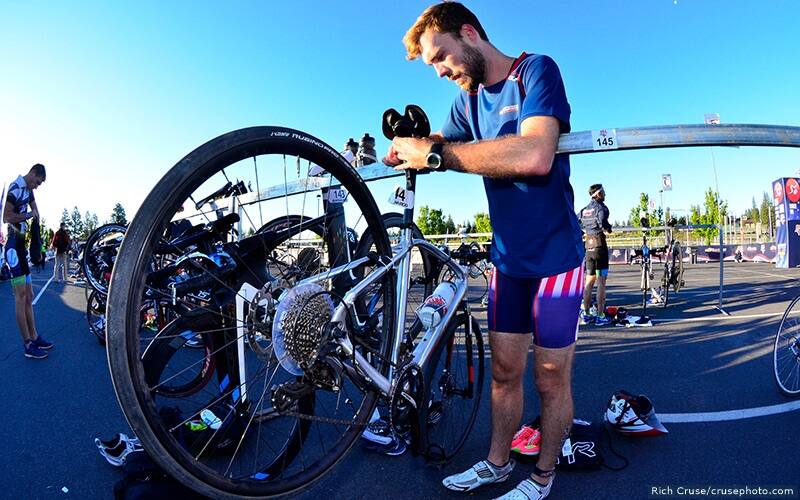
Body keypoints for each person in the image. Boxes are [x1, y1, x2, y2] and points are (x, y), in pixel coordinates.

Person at [386, 4, 584, 498]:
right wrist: (410, 146)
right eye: (433, 66)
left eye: (442, 57)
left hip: (558, 259)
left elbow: (535, 155)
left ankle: (541, 477)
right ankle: (496, 464)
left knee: (551, 376)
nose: (441, 71)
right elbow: (440, 142)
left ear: (470, 33)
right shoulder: (466, 101)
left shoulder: (535, 70)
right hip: (508, 262)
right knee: (502, 372)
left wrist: (437, 155)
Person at [3, 164, 54, 359]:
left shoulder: (28, 190)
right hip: (13, 250)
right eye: (37, 182)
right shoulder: (16, 188)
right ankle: (27, 344)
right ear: (33, 174)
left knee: (30, 294)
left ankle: (34, 336)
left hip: (22, 249)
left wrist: (34, 216)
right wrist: (27, 215)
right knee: (20, 296)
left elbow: (36, 211)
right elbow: (6, 216)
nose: (37, 186)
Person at [578, 184, 612, 325]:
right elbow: (603, 223)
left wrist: (583, 233)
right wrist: (608, 228)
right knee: (601, 283)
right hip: (599, 247)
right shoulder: (601, 208)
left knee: (588, 282)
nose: (605, 194)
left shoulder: (584, 210)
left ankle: (585, 314)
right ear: (597, 194)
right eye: (603, 192)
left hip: (588, 248)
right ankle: (600, 315)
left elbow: (575, 223)